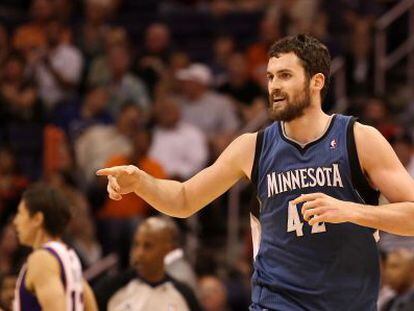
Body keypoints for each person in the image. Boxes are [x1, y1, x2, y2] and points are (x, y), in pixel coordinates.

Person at [97, 34, 414, 310]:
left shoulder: (358, 139)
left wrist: (352, 211)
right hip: (275, 302)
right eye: (270, 76)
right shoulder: (252, 147)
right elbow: (183, 200)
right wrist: (141, 180)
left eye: (286, 75)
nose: (274, 85)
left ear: (317, 81)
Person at [12, 183, 97, 310]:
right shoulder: (69, 256)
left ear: (37, 219)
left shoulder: (41, 259)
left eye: (20, 213)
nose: (15, 221)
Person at [93, 216, 201, 311]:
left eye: (148, 246)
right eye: (136, 245)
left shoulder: (184, 295)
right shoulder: (109, 289)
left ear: (168, 250)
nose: (139, 253)